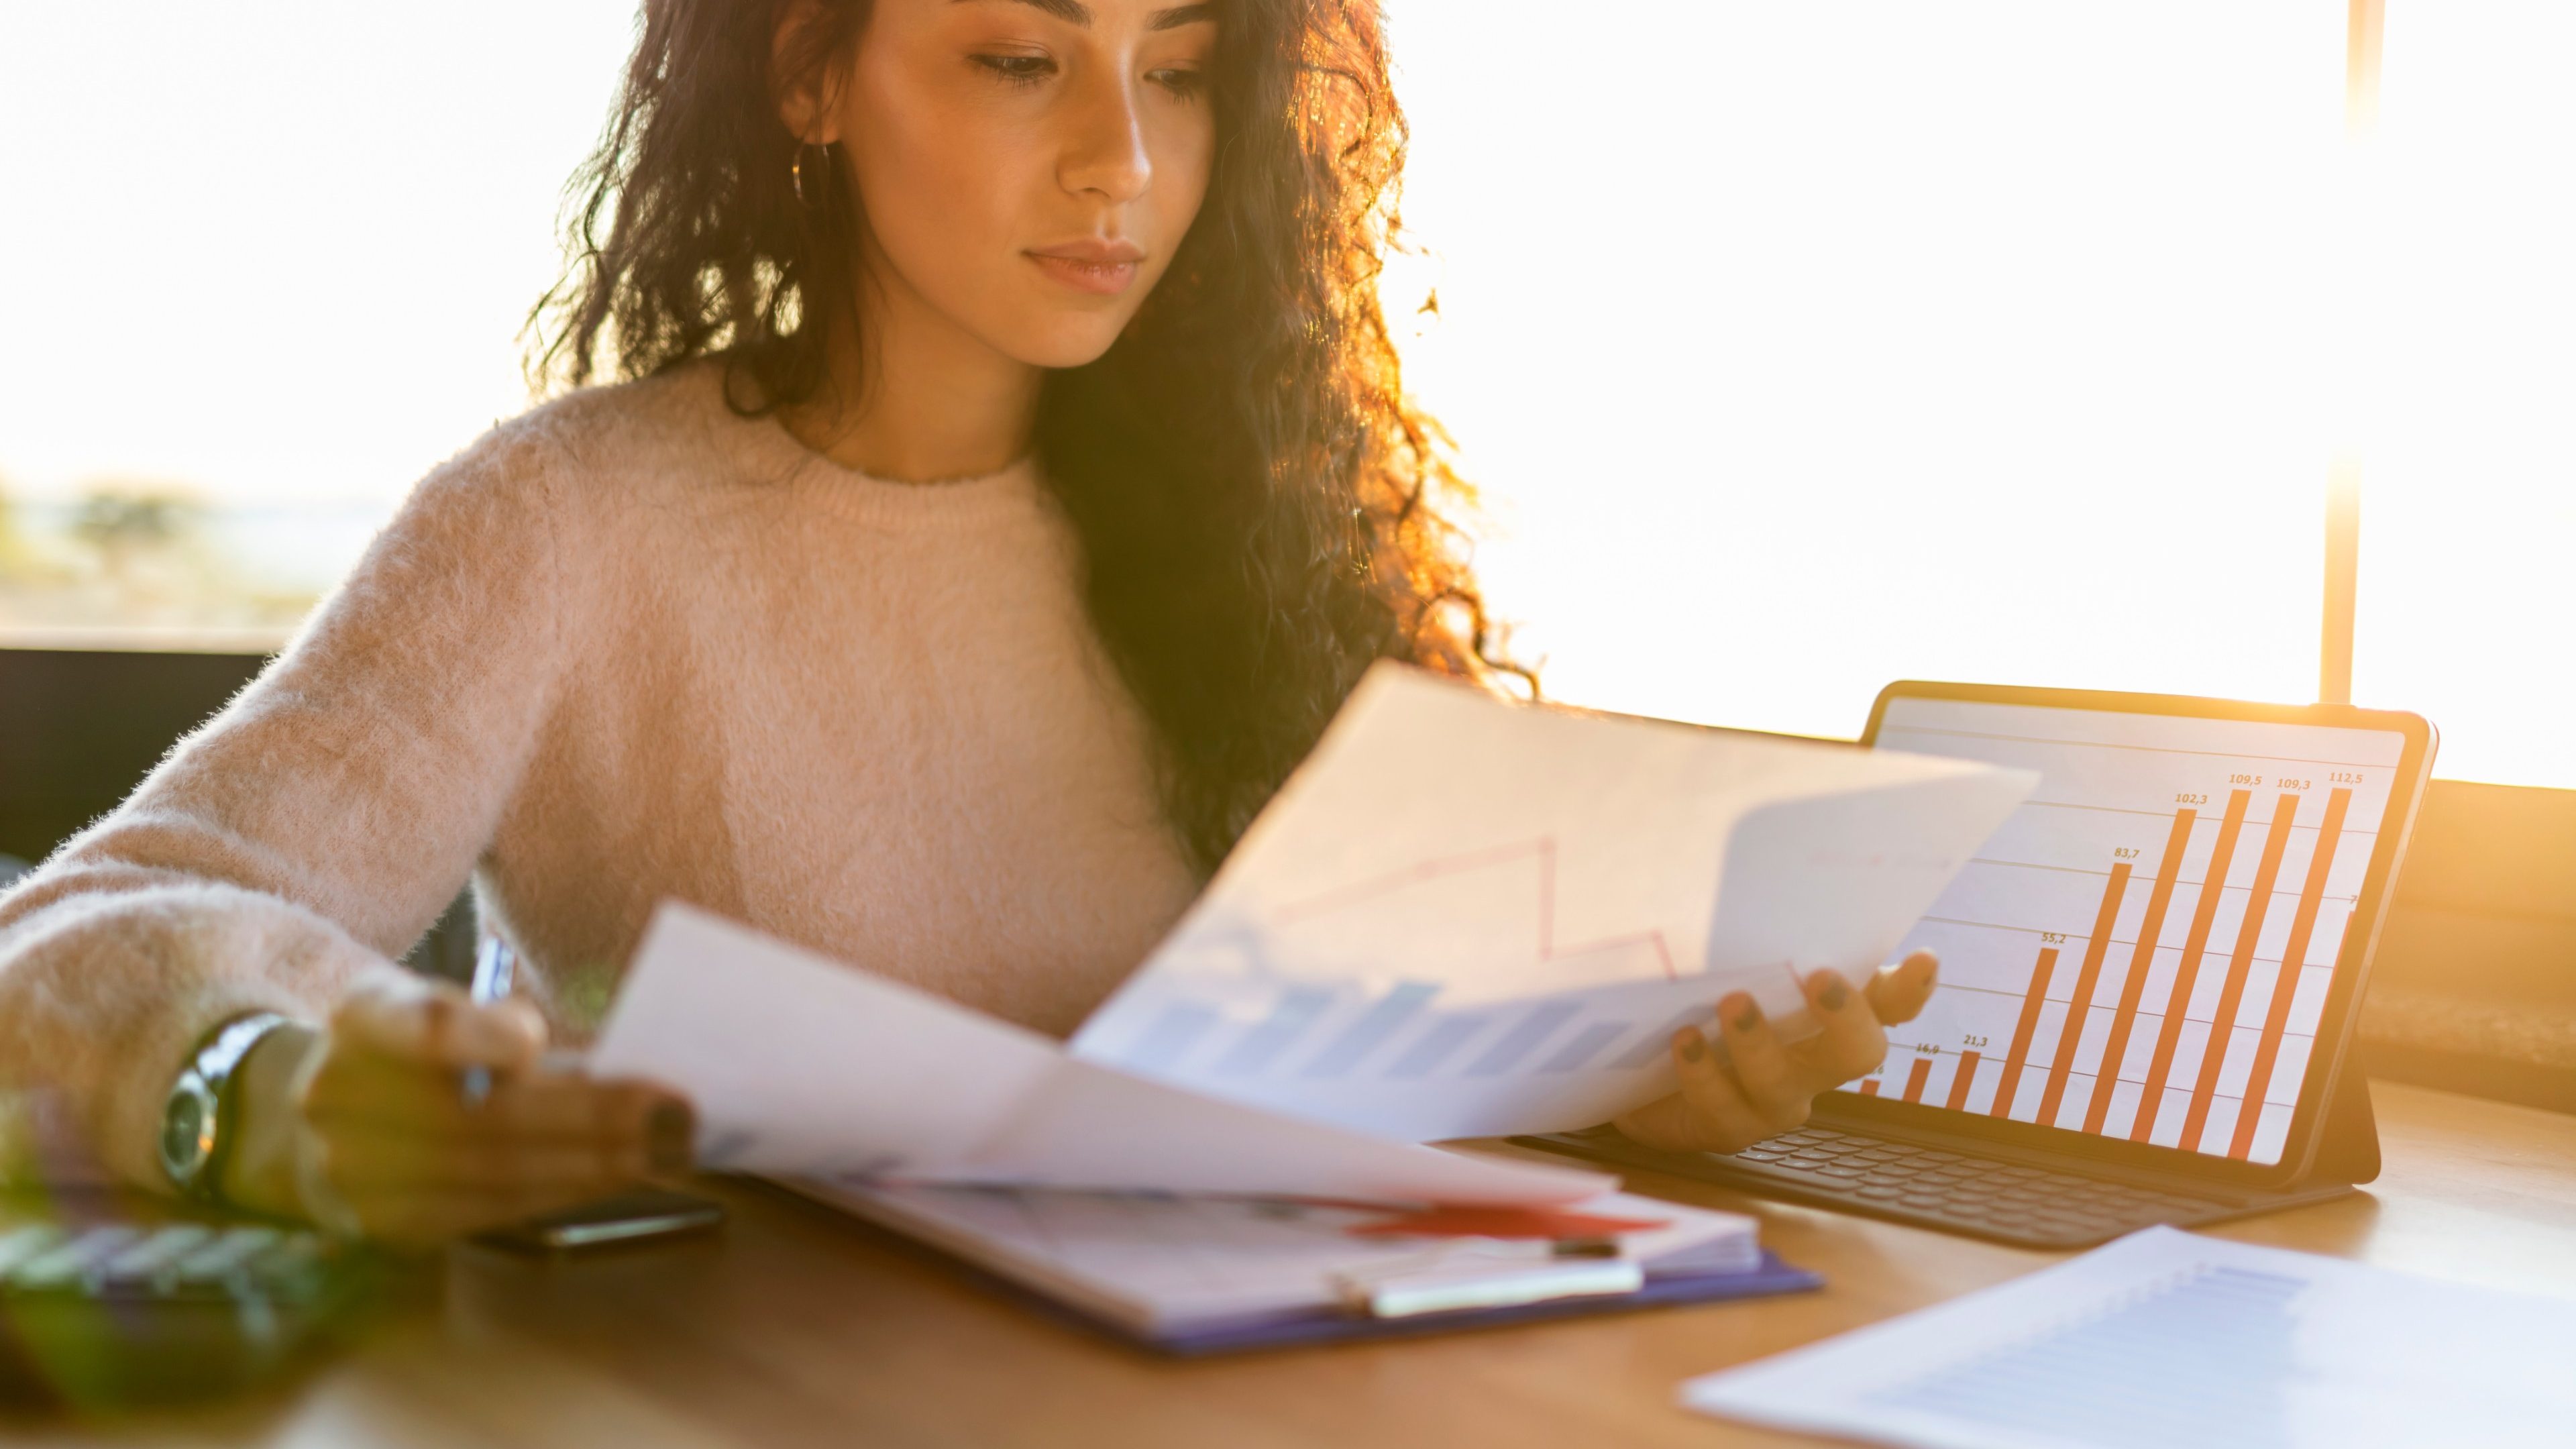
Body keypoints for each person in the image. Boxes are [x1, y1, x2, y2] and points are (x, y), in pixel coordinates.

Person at [0, 0, 1937, 1246]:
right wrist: (250, 1088)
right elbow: (69, 936)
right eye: (1024, 60)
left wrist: (1652, 1080)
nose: (1126, 159)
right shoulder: (567, 522)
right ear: (813, 74)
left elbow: (1382, 1062)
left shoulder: (1264, 540)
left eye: (1178, 70)